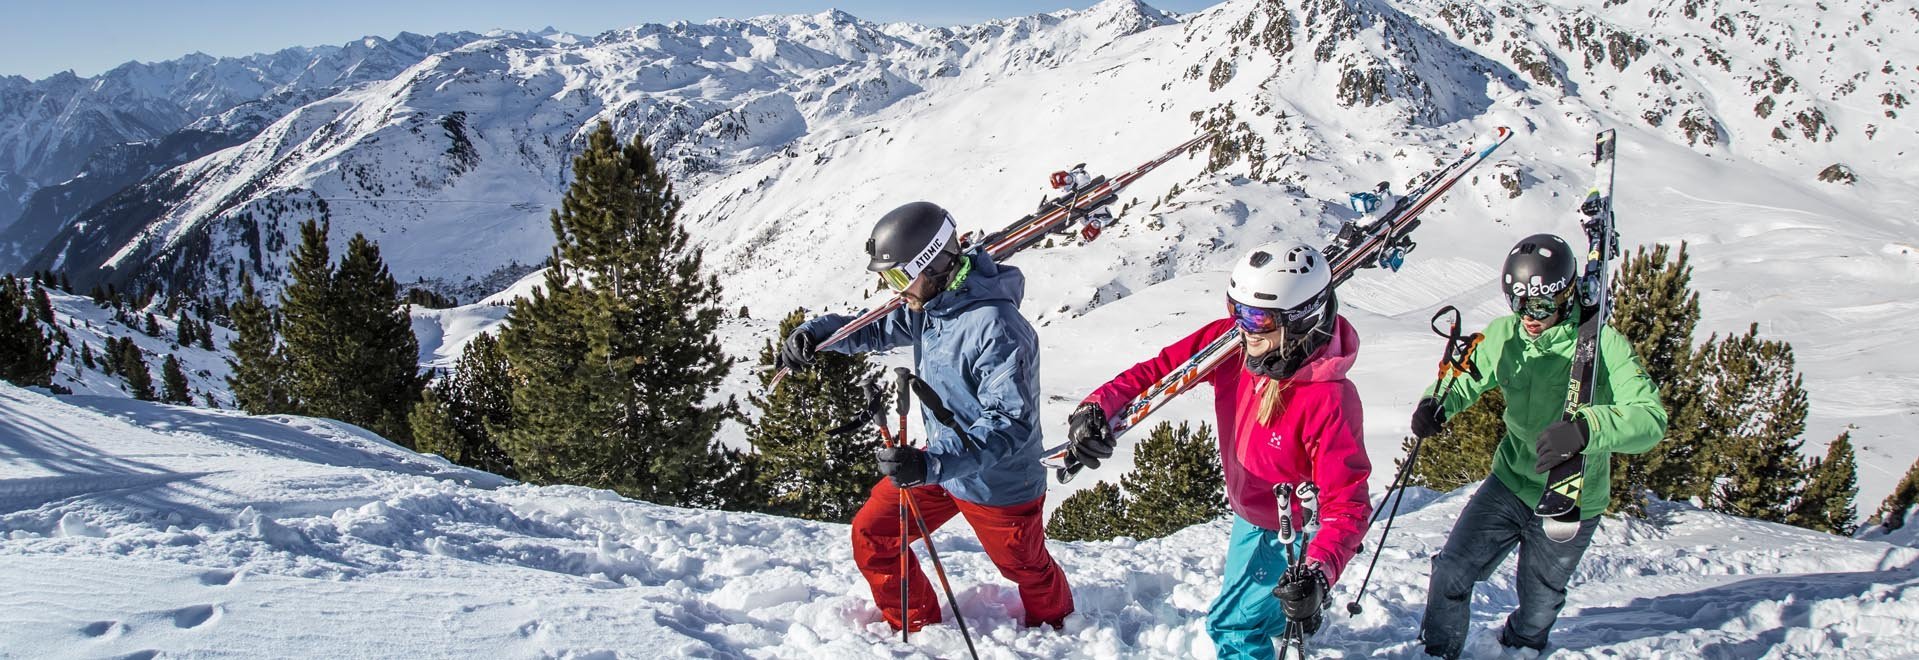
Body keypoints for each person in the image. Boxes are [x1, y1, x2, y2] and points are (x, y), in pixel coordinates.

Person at [1062, 241, 1373, 659]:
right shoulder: (1234, 346)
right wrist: (1099, 405)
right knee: (1257, 606)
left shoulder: (1330, 400)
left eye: (1257, 317)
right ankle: (1292, 613)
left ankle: (1294, 606)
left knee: (1232, 626)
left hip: (1287, 530)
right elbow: (1160, 371)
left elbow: (1348, 506)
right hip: (1251, 515)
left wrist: (1318, 571)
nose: (1242, 325)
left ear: (1301, 321)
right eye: (1236, 309)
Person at [778, 201, 1074, 631]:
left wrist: (932, 462)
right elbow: (875, 328)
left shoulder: (997, 327)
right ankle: (916, 629)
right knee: (874, 533)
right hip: (938, 465)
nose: (894, 290)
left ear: (935, 265)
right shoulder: (932, 308)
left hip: (998, 484)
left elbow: (1009, 423)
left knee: (1025, 569)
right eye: (887, 278)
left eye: (899, 276)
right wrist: (817, 335)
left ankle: (1059, 630)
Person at [1412, 234, 1668, 658]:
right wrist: (1435, 403)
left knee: (1539, 601)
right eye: (1519, 303)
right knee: (1452, 569)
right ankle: (1437, 650)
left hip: (1573, 495)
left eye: (1541, 306)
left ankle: (1522, 647)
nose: (1529, 317)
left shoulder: (1602, 344)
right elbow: (1467, 377)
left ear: (1567, 296)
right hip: (1511, 481)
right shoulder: (1505, 335)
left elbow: (1650, 418)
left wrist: (1587, 429)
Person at [1049, 165, 1117, 242]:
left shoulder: (1080, 177)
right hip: (1085, 204)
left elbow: (1081, 173)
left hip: (1098, 194)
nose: (1065, 184)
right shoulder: (1070, 188)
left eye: (1066, 179)